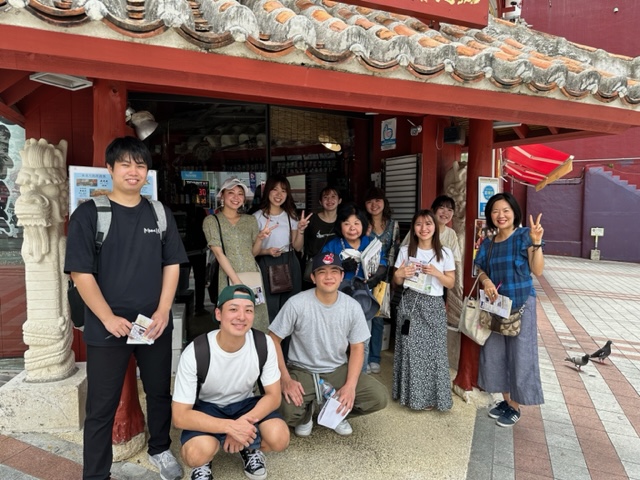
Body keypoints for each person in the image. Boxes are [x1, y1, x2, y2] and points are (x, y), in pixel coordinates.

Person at [64, 137, 187, 480]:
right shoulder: (89, 214)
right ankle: (96, 474)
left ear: (147, 172)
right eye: (125, 164)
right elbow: (80, 272)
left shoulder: (158, 213)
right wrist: (107, 318)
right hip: (108, 327)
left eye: (140, 165)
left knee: (159, 392)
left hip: (152, 325)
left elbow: (172, 264)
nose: (134, 171)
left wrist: (163, 311)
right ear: (110, 169)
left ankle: (159, 449)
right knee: (101, 406)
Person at [172, 284, 290, 480]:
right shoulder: (196, 351)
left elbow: (274, 396)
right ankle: (205, 461)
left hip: (245, 405)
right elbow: (179, 416)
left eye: (248, 310)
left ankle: (248, 447)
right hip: (208, 407)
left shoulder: (263, 343)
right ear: (218, 314)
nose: (241, 316)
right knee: (195, 454)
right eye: (233, 309)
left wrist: (242, 425)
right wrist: (229, 427)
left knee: (279, 438)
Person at [268, 252, 388, 438]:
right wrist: (285, 378)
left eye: (334, 271)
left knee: (378, 397)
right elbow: (273, 339)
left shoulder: (352, 306)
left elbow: (357, 348)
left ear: (341, 276)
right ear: (313, 277)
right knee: (285, 411)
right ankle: (306, 415)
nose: (329, 276)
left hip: (337, 369)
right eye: (322, 272)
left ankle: (333, 411)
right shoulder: (297, 303)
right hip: (302, 370)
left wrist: (350, 386)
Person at [474, 192, 545, 427]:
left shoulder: (524, 236)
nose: (501, 215)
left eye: (506, 210)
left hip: (522, 305)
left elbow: (538, 270)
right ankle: (506, 401)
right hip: (496, 307)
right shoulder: (488, 243)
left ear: (514, 212)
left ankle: (515, 406)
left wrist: (536, 242)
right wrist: (486, 281)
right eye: (495, 211)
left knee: (520, 356)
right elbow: (480, 268)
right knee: (496, 355)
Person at [392, 210, 455, 411]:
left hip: (434, 305)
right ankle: (411, 396)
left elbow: (451, 283)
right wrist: (400, 273)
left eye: (428, 224)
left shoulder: (445, 253)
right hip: (410, 305)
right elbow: (397, 280)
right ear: (413, 228)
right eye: (419, 224)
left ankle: (432, 398)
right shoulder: (405, 251)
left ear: (435, 227)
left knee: (435, 352)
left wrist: (437, 273)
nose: (424, 228)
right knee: (410, 350)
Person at [324, 203, 387, 372]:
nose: (352, 228)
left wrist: (375, 278)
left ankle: (361, 374)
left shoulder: (371, 243)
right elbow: (320, 270)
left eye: (356, 223)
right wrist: (340, 266)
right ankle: (335, 373)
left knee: (362, 340)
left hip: (363, 298)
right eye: (347, 223)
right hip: (338, 299)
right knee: (337, 340)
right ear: (340, 226)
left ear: (363, 225)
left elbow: (382, 264)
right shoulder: (333, 245)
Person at [203, 178, 270, 332]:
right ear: (222, 195)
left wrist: (260, 238)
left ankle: (256, 346)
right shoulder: (212, 221)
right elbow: (218, 253)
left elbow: (253, 253)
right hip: (228, 277)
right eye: (231, 193)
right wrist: (237, 282)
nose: (236, 197)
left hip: (252, 275)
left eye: (240, 194)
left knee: (256, 317)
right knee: (233, 317)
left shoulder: (250, 220)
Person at [253, 175, 311, 323]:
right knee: (269, 307)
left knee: (290, 306)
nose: (279, 194)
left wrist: (301, 230)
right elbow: (251, 252)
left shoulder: (290, 216)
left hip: (289, 262)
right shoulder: (256, 217)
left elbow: (297, 246)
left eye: (283, 191)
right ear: (268, 191)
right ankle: (270, 337)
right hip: (266, 263)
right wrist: (267, 251)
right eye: (275, 190)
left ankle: (288, 339)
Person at [363, 187, 399, 374]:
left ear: (384, 202)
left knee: (377, 318)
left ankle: (374, 358)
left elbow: (395, 252)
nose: (374, 205)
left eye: (377, 200)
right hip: (363, 277)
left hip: (383, 278)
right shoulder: (362, 223)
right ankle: (363, 357)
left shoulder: (393, 225)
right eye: (370, 201)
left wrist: (392, 279)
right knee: (362, 317)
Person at [302, 186, 342, 290]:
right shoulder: (311, 220)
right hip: (315, 268)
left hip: (336, 268)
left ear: (339, 200)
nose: (329, 200)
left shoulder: (343, 221)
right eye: (326, 197)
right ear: (320, 201)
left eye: (333, 196)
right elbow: (302, 245)